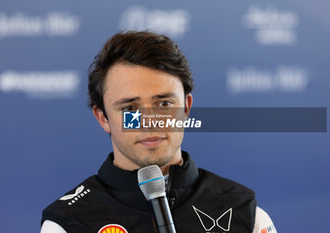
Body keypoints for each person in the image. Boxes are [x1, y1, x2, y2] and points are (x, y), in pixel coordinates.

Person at [40, 30, 277, 233]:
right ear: (103, 118)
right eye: (130, 108)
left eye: (164, 104)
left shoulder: (245, 213)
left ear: (186, 108)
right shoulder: (68, 223)